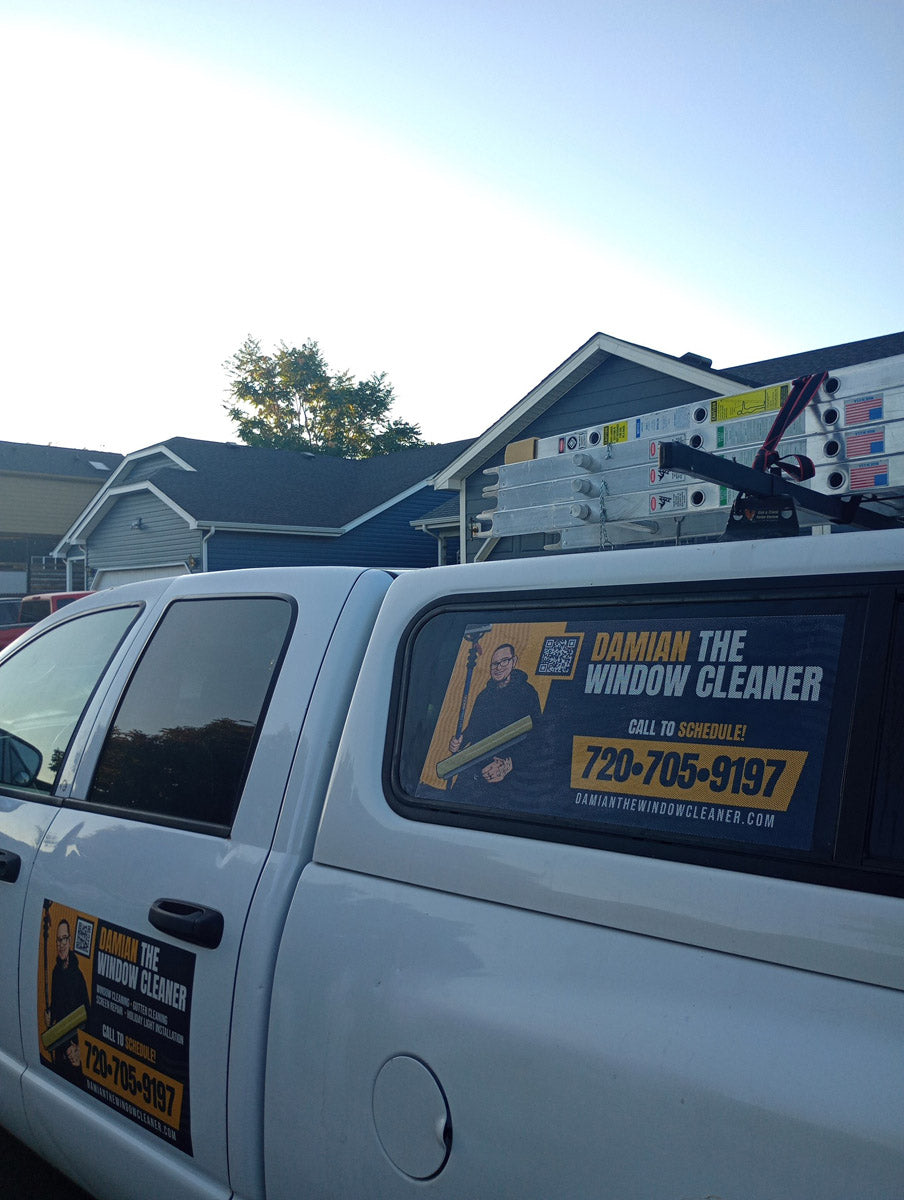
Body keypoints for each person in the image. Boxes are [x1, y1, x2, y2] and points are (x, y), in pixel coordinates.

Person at [448, 643, 542, 794]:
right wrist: (460, 741)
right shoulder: (484, 696)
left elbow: (536, 736)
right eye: (494, 664)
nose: (498, 667)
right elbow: (473, 729)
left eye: (504, 661)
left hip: (504, 773)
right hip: (475, 765)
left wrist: (509, 764)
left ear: (514, 661)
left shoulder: (527, 693)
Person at [45, 918, 89, 1087]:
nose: (61, 944)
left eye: (65, 939)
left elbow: (88, 1016)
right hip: (60, 1050)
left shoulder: (77, 977)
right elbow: (57, 1008)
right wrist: (50, 1015)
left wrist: (78, 1048)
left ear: (70, 941)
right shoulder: (56, 973)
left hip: (74, 1055)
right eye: (58, 940)